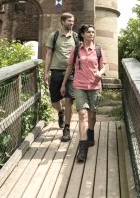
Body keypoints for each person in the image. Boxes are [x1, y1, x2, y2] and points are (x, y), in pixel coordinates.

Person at [60, 24, 106, 163]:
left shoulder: (98, 50)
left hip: (94, 86)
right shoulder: (76, 50)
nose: (91, 34)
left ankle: (90, 132)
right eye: (88, 32)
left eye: (93, 32)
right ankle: (83, 148)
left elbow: (103, 67)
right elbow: (69, 67)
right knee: (82, 114)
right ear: (82, 34)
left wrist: (100, 73)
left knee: (92, 115)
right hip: (79, 86)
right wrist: (63, 84)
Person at [43, 12, 77, 142]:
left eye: (72, 20)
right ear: (62, 21)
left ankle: (67, 128)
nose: (71, 23)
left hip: (72, 73)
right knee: (54, 100)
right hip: (56, 71)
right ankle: (60, 112)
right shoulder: (54, 36)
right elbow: (49, 54)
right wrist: (46, 72)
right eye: (69, 20)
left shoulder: (75, 37)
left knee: (69, 100)